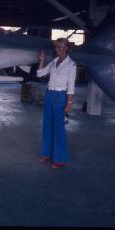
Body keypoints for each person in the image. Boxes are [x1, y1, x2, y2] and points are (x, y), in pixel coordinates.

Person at [36, 38, 76, 169]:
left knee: (59, 128)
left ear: (66, 48)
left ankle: (59, 159)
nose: (57, 49)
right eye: (56, 47)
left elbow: (71, 86)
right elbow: (40, 73)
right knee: (47, 125)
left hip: (61, 96)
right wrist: (42, 60)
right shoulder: (53, 62)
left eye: (60, 47)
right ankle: (46, 154)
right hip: (50, 95)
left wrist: (69, 103)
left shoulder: (71, 65)